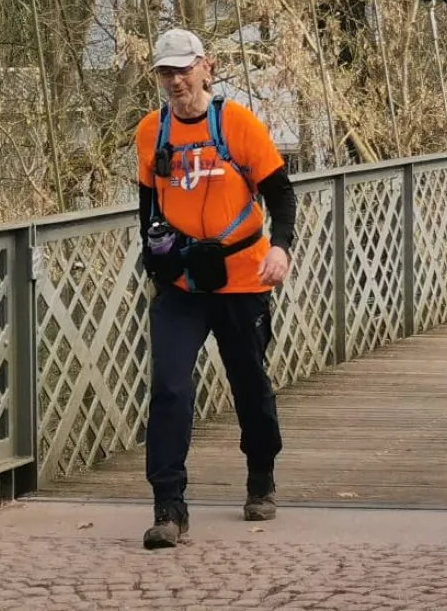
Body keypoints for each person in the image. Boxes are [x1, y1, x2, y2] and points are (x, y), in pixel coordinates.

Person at [134, 27, 297, 550]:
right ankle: (169, 506)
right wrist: (156, 261)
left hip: (242, 275)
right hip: (181, 281)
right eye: (166, 71)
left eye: (184, 69)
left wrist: (281, 248)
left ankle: (261, 475)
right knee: (170, 388)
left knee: (249, 382)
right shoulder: (150, 133)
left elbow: (281, 196)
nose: (176, 80)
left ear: (208, 66)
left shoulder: (238, 125)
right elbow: (147, 208)